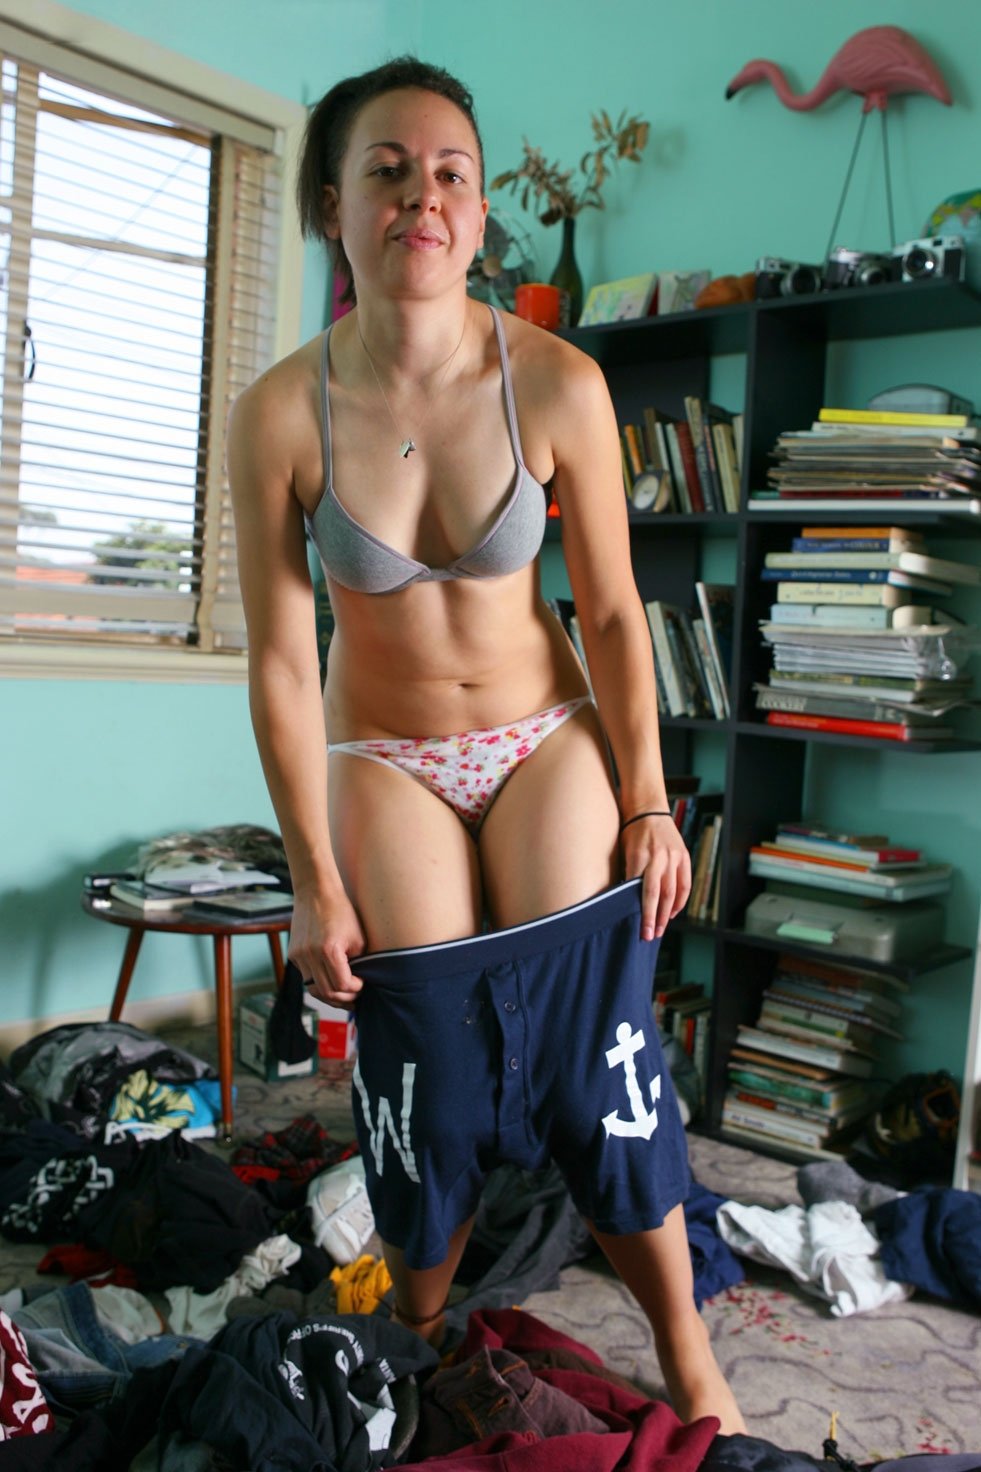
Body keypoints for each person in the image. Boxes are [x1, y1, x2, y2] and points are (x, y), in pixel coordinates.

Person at [228, 56, 746, 1435]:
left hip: (542, 738)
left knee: (592, 1046)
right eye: (388, 170)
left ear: (479, 207)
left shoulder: (558, 380)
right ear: (332, 205)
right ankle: (417, 1321)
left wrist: (648, 800)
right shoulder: (277, 413)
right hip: (385, 756)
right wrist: (312, 879)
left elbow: (617, 614)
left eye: (450, 172)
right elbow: (281, 663)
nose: (424, 196)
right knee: (430, 1069)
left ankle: (684, 1345)